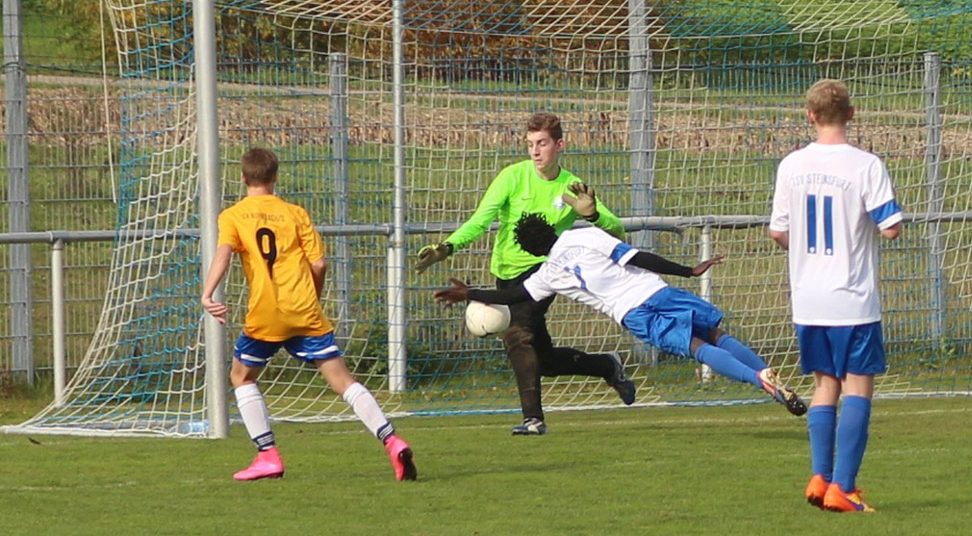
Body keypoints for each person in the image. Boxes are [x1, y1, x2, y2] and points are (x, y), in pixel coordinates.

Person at [434, 211, 809, 419]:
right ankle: (769, 377)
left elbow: (514, 294)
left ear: (531, 250)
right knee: (714, 334)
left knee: (696, 348)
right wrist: (688, 270)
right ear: (550, 228)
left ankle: (758, 380)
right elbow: (638, 257)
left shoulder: (546, 273)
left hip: (632, 313)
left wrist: (470, 293)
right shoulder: (586, 235)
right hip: (657, 291)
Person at [201, 148, 417, 482]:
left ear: (243, 177)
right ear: (275, 177)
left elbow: (224, 254)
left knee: (241, 376)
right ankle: (391, 439)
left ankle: (267, 455)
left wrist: (208, 293)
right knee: (343, 381)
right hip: (305, 311)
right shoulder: (295, 213)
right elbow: (319, 263)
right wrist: (311, 296)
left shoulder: (233, 215)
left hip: (266, 314)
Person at [416, 112, 635, 436]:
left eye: (542, 143)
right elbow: (480, 220)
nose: (535, 151)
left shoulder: (570, 187)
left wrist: (592, 216)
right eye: (530, 143)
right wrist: (448, 247)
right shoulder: (512, 177)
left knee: (517, 337)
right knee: (542, 360)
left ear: (559, 145)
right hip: (505, 272)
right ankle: (606, 365)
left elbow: (616, 229)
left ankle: (533, 418)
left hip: (544, 273)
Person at [769, 79, 903, 513]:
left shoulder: (791, 165)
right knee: (858, 386)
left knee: (825, 384)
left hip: (808, 298)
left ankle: (819, 477)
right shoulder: (865, 165)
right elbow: (891, 227)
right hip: (852, 296)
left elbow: (779, 231)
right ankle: (844, 487)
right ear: (851, 113)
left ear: (810, 115)